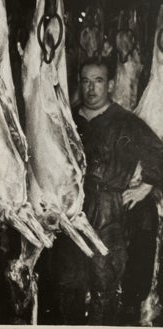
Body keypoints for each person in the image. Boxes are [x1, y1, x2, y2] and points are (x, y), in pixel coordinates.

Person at [70, 58, 163, 325]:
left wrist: (146, 186)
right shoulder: (70, 117)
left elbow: (159, 153)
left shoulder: (125, 122)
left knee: (103, 282)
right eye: (86, 81)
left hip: (108, 210)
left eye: (98, 81)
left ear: (110, 85)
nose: (91, 88)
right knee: (71, 282)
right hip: (71, 208)